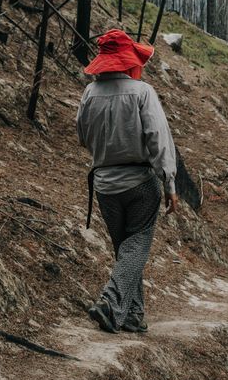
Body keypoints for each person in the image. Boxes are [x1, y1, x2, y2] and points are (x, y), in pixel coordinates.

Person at [76, 29, 178, 334]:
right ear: (127, 60)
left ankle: (133, 315)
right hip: (140, 183)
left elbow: (83, 136)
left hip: (104, 185)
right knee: (136, 246)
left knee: (126, 251)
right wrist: (170, 183)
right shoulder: (142, 92)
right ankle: (110, 302)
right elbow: (159, 139)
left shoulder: (88, 94)